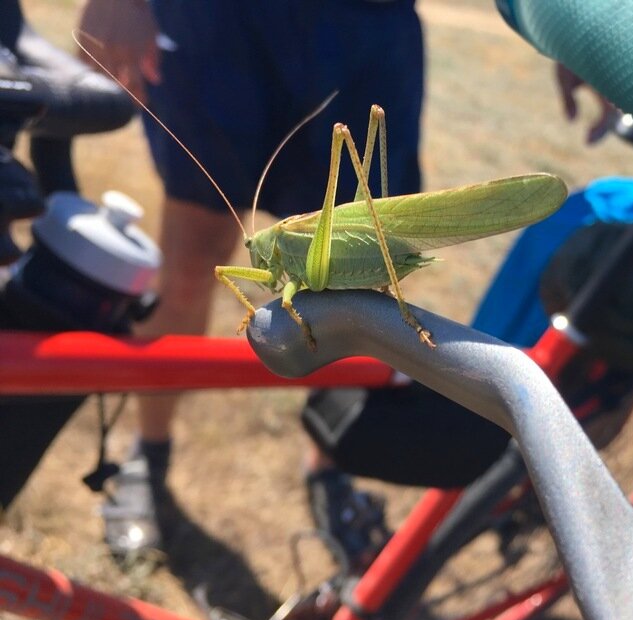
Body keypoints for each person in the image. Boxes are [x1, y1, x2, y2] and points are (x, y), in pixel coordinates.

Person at [77, 0, 424, 565]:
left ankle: (330, 470)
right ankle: (150, 452)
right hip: (220, 19)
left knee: (349, 270)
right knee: (190, 258)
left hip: (369, 23)